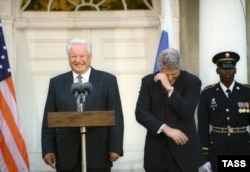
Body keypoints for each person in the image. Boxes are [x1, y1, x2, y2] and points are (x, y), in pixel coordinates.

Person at [41, 38, 124, 172]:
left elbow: (116, 116)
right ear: (68, 58)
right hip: (66, 154)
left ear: (90, 57)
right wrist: (48, 149)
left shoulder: (107, 80)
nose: (78, 60)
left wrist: (115, 147)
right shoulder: (56, 83)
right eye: (74, 56)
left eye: (82, 56)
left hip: (98, 153)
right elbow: (48, 120)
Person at [135, 48, 205, 172]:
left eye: (174, 74)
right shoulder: (148, 82)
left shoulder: (192, 82)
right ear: (160, 69)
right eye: (166, 75)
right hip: (157, 154)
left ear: (179, 67)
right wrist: (165, 129)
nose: (170, 78)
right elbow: (141, 113)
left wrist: (169, 88)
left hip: (185, 152)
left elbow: (187, 111)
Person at [197, 51, 250, 172]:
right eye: (223, 68)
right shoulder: (208, 93)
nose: (227, 71)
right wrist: (204, 156)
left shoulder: (247, 92)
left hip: (242, 147)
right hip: (218, 148)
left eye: (231, 68)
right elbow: (203, 126)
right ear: (217, 70)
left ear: (235, 70)